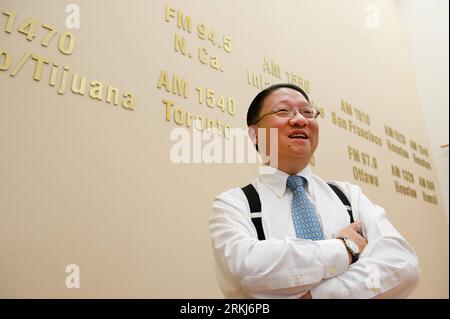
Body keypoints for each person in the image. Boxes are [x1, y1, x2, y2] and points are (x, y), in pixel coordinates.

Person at [209, 83, 420, 299]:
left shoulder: (349, 196)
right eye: (283, 111)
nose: (300, 119)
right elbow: (248, 269)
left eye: (308, 112)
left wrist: (318, 296)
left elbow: (402, 263)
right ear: (254, 134)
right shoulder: (234, 204)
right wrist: (345, 248)